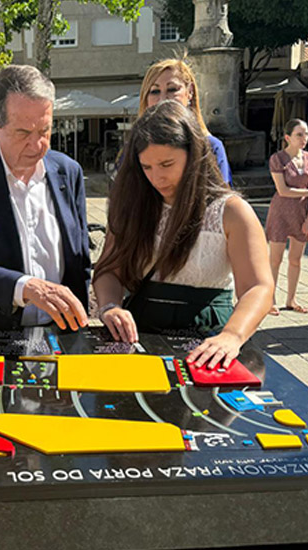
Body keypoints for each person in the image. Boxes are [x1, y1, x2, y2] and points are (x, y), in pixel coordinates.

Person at [92, 101, 273, 366]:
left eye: (167, 164)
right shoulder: (131, 206)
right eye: (146, 167)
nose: (157, 178)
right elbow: (110, 269)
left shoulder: (231, 211)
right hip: (138, 333)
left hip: (210, 338)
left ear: (194, 155)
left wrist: (232, 336)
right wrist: (110, 307)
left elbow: (258, 287)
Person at [0, 64, 90, 330]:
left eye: (45, 131)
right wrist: (25, 287)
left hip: (61, 331)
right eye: (23, 133)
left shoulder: (69, 172)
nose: (37, 145)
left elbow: (80, 259)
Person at [139, 57, 232, 185]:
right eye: (155, 91)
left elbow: (222, 195)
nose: (163, 99)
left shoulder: (210, 147)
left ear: (190, 92)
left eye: (172, 89)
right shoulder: (135, 148)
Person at [265, 119, 308, 315]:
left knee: (296, 259)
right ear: (288, 137)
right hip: (280, 212)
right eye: (299, 134)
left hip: (301, 212)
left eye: (307, 134)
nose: (304, 138)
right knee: (275, 259)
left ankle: (291, 299)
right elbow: (283, 190)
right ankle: (269, 300)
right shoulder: (278, 159)